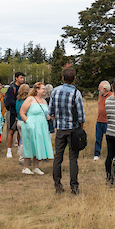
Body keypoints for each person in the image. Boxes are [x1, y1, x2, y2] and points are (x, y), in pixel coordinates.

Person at [49, 67, 85, 195]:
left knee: (58, 156)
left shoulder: (55, 91)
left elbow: (51, 111)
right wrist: (81, 128)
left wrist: (56, 123)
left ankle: (57, 184)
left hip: (60, 129)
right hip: (73, 129)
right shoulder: (76, 93)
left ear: (62, 78)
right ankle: (74, 187)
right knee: (73, 158)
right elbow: (81, 115)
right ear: (74, 79)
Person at [19, 82, 54, 175]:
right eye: (43, 89)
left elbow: (47, 112)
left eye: (45, 89)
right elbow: (22, 112)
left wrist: (49, 116)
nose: (44, 91)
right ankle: (25, 167)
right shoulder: (30, 99)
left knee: (39, 144)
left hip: (42, 125)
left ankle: (35, 167)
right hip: (31, 125)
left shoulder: (44, 101)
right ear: (37, 89)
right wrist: (28, 122)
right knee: (29, 144)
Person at [4, 72, 25, 158]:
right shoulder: (11, 88)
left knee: (20, 132)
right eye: (21, 78)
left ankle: (20, 148)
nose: (22, 79)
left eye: (23, 78)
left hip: (21, 113)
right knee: (11, 131)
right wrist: (19, 102)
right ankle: (9, 150)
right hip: (13, 112)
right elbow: (9, 101)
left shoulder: (23, 88)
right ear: (16, 78)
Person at [94, 80, 113, 161]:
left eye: (100, 87)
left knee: (110, 139)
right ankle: (96, 154)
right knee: (98, 139)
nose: (98, 89)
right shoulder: (100, 95)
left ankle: (111, 155)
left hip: (108, 121)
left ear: (104, 89)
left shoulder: (112, 96)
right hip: (99, 120)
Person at [15, 84, 31, 163]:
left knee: (23, 141)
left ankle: (25, 157)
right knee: (24, 142)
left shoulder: (18, 100)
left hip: (19, 120)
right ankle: (22, 159)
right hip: (24, 121)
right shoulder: (26, 100)